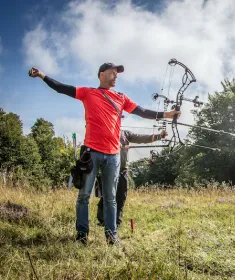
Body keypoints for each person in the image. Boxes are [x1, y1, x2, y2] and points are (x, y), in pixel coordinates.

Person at [28, 63, 180, 245]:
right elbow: (62, 88)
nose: (116, 76)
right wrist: (42, 75)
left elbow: (142, 111)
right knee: (84, 196)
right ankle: (82, 236)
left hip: (114, 155)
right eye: (112, 73)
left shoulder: (121, 98)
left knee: (110, 198)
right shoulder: (88, 93)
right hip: (92, 153)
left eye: (117, 74)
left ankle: (111, 237)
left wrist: (168, 115)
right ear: (101, 74)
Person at [96, 129, 167, 227]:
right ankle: (102, 220)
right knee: (107, 195)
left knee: (121, 196)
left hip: (122, 169)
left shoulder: (125, 133)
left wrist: (159, 136)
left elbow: (140, 137)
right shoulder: (105, 130)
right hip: (108, 168)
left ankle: (117, 222)